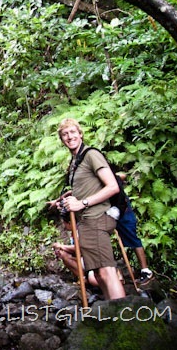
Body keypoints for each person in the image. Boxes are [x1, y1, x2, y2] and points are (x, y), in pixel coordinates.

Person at [53, 118, 125, 300]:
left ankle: (125, 314)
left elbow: (112, 187)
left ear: (80, 134)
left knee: (107, 272)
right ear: (61, 139)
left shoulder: (91, 155)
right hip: (86, 222)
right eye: (65, 134)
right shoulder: (75, 162)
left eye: (72, 132)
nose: (69, 137)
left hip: (96, 218)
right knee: (100, 275)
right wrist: (64, 201)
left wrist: (82, 203)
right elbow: (85, 187)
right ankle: (113, 311)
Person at [115, 174, 153, 285]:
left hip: (122, 207)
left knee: (132, 237)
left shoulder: (106, 173)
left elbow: (122, 176)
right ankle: (116, 274)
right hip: (110, 208)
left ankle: (145, 270)